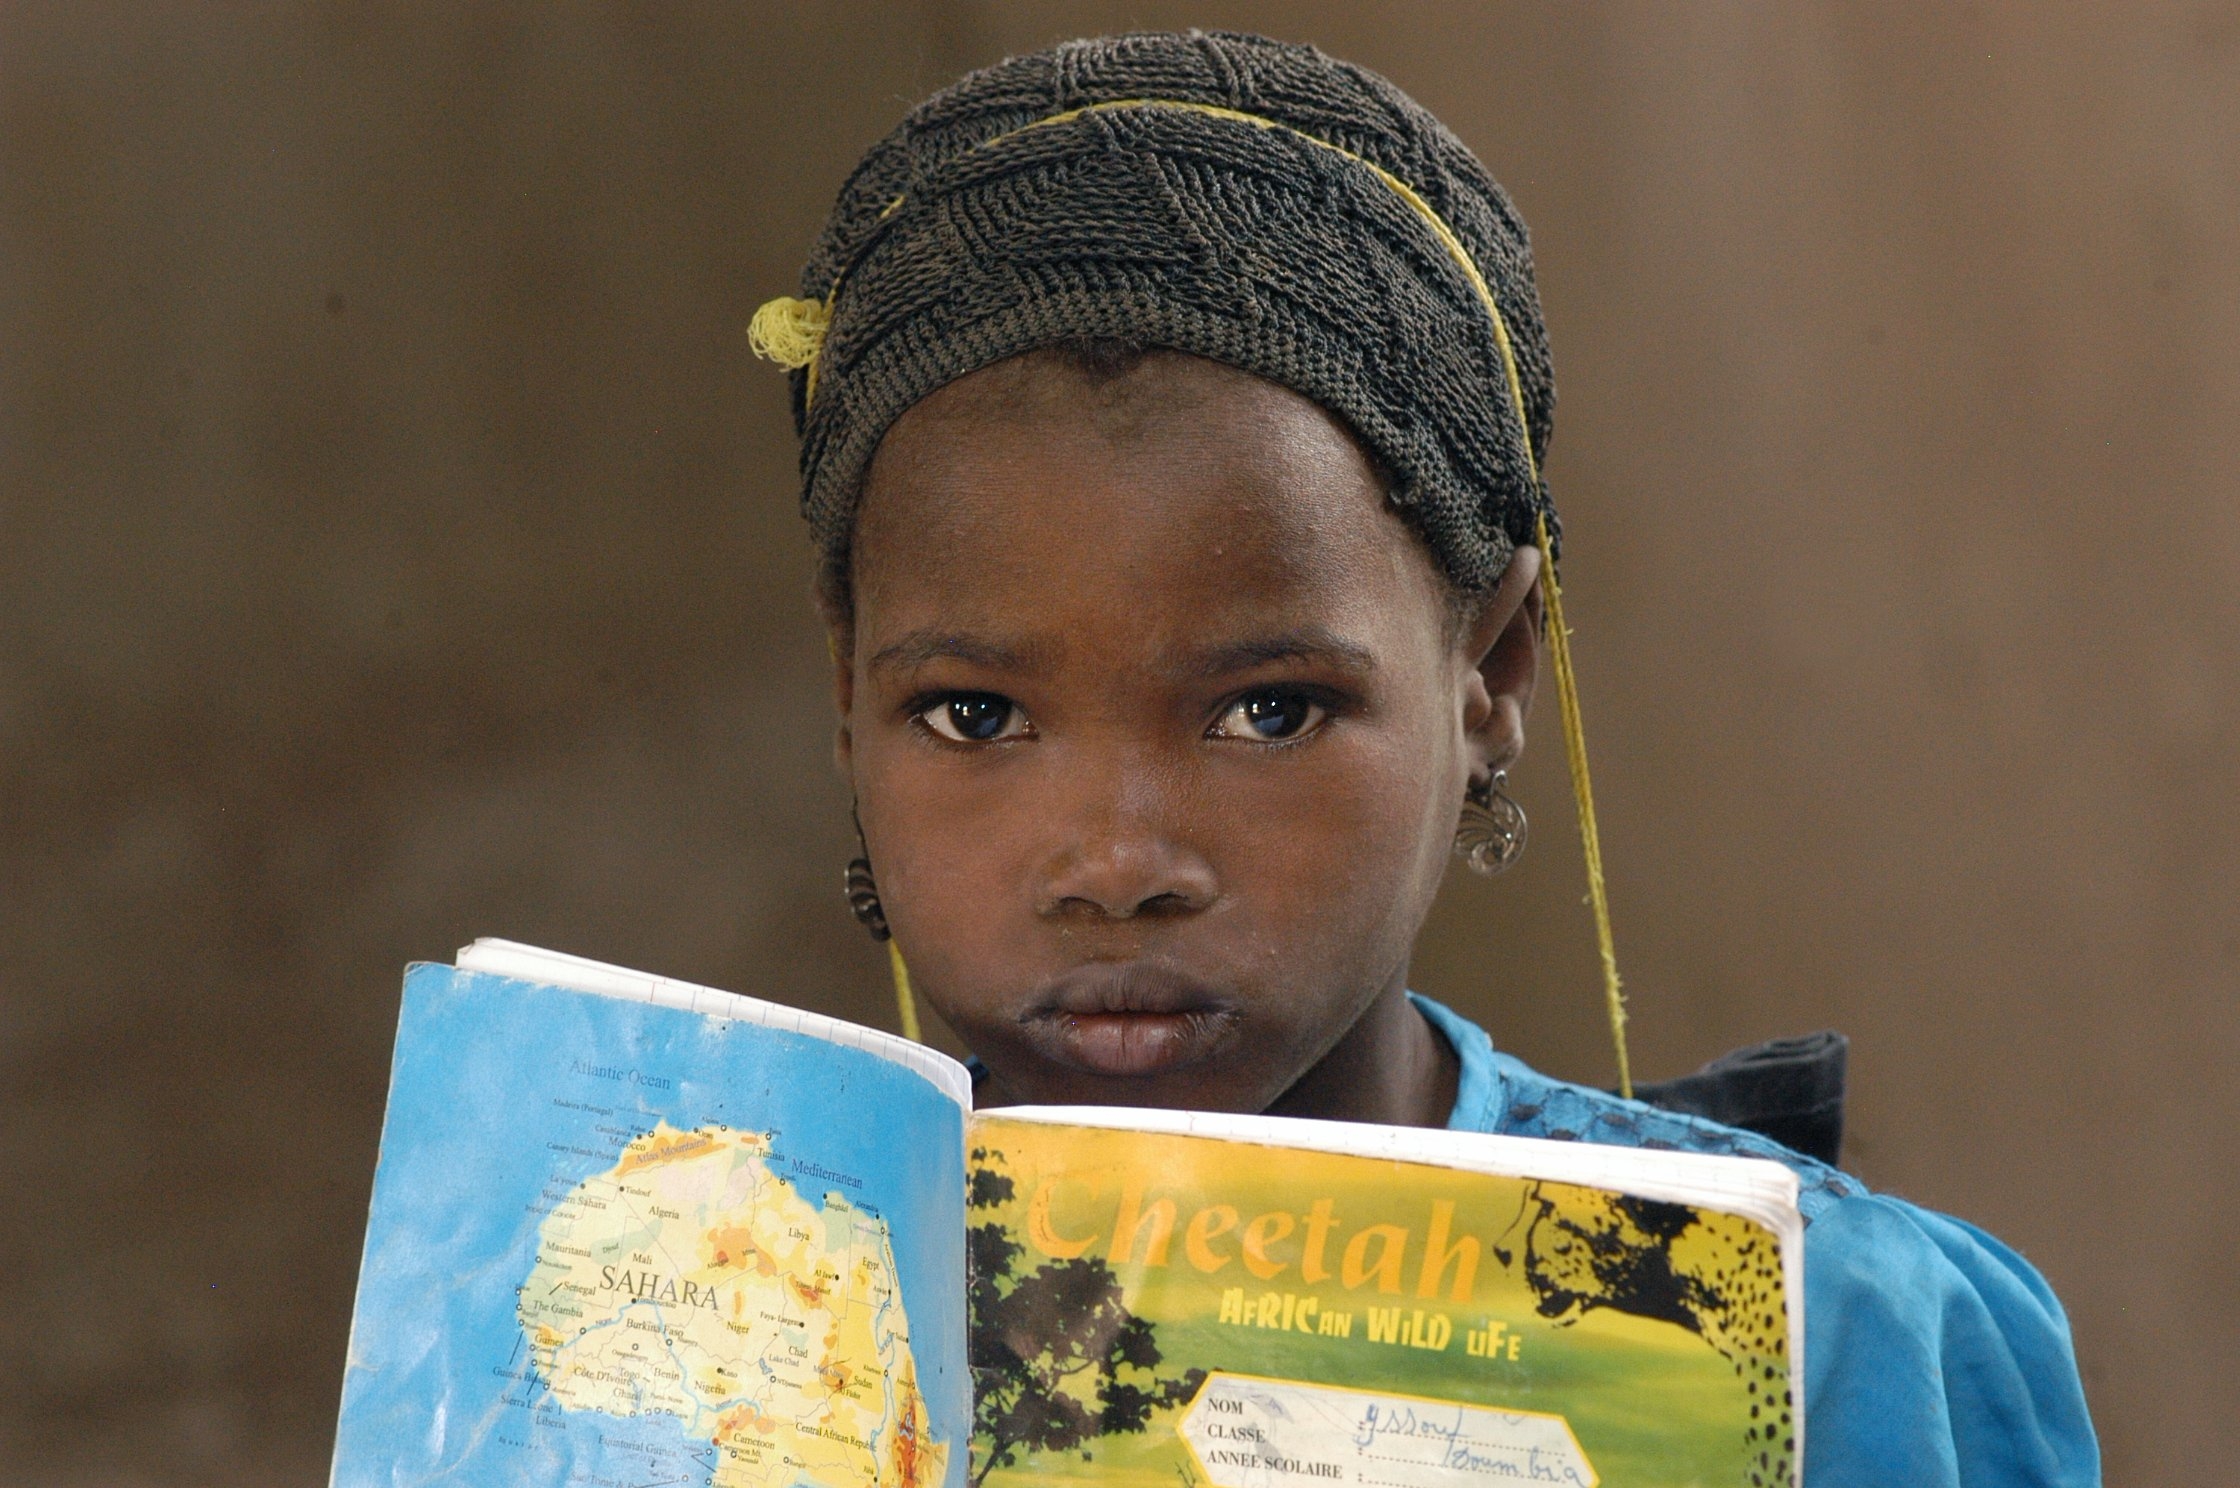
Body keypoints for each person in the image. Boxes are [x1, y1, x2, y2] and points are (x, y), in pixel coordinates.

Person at [749, 30, 2098, 1487]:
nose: (1117, 863)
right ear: (848, 702)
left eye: (1267, 712)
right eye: (975, 716)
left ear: (1490, 673)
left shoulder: (1831, 1343)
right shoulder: (712, 1307)